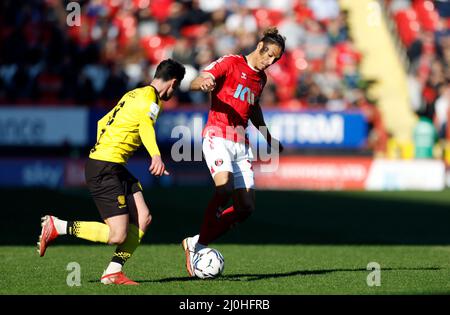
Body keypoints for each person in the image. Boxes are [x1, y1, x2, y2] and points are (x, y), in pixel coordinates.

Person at [37, 59, 186, 285]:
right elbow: (145, 126)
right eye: (176, 88)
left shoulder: (133, 94)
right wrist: (155, 155)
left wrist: (106, 147)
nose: (173, 94)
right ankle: (57, 226)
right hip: (105, 167)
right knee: (117, 234)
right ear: (173, 83)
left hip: (110, 164)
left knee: (144, 218)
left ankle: (113, 272)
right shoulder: (151, 99)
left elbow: (102, 121)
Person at [181, 27, 285, 276]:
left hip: (241, 143)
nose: (270, 62)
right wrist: (202, 84)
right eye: (269, 55)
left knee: (246, 207)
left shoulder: (261, 79)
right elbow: (197, 81)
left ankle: (194, 241)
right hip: (217, 134)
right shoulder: (230, 62)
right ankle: (200, 247)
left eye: (275, 59)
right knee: (224, 187)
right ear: (260, 45)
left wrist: (267, 136)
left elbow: (253, 108)